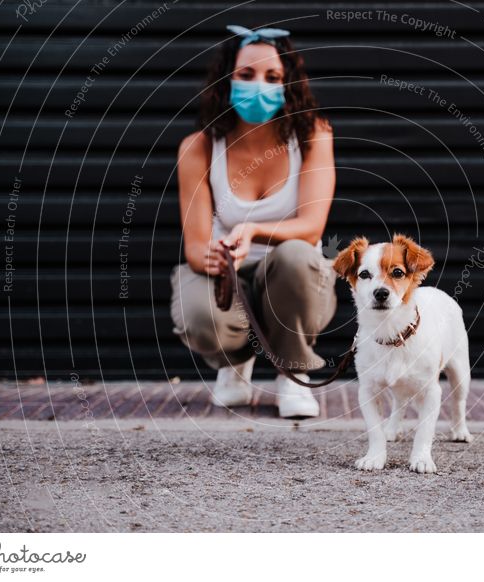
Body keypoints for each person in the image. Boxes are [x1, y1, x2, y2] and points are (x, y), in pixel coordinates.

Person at [170, 25, 337, 418]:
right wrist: (209, 257)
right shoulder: (198, 147)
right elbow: (194, 246)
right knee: (197, 314)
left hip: (295, 280)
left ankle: (292, 373)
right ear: (227, 79)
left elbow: (312, 227)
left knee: (297, 257)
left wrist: (253, 230)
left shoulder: (313, 135)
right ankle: (234, 365)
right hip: (231, 276)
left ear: (287, 84)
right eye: (246, 75)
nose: (258, 85)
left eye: (272, 77)